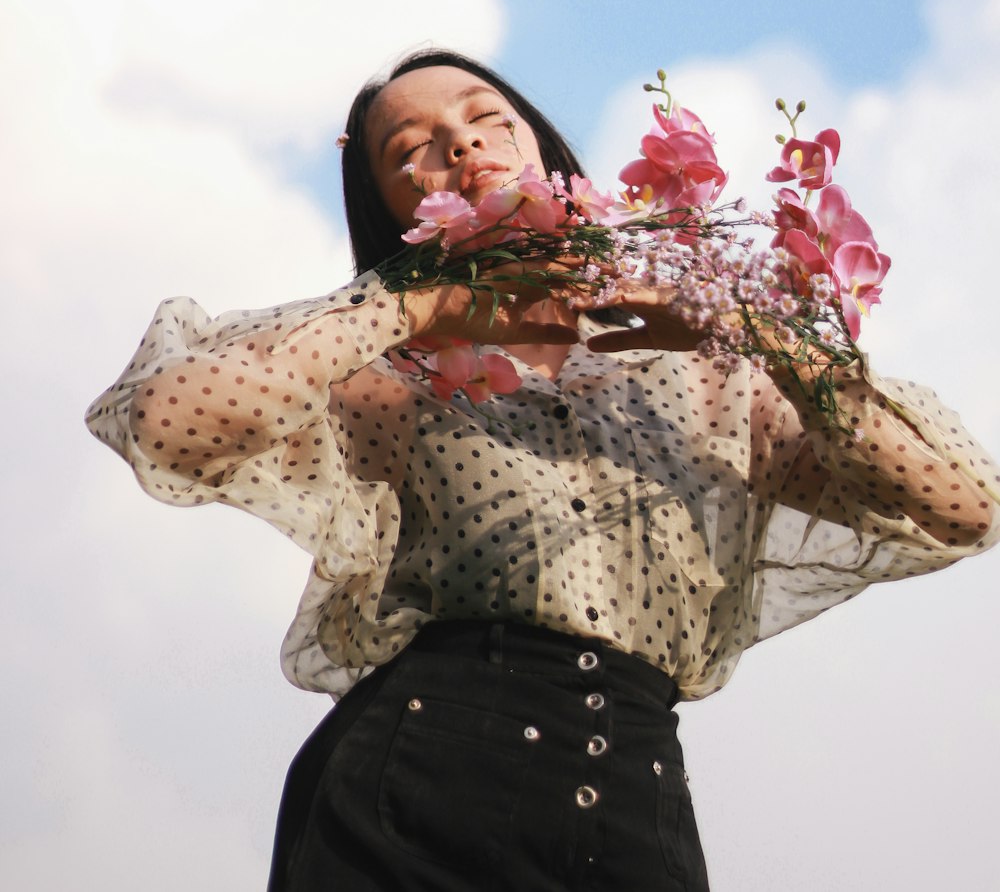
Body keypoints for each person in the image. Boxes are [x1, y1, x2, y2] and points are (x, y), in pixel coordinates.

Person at [86, 48, 1000, 891]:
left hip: (637, 806)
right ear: (395, 212)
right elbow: (168, 422)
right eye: (413, 152)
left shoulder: (706, 377)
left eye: (485, 118)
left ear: (539, 146)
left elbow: (962, 506)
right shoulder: (389, 378)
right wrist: (421, 303)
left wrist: (764, 333)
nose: (459, 145)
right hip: (413, 794)